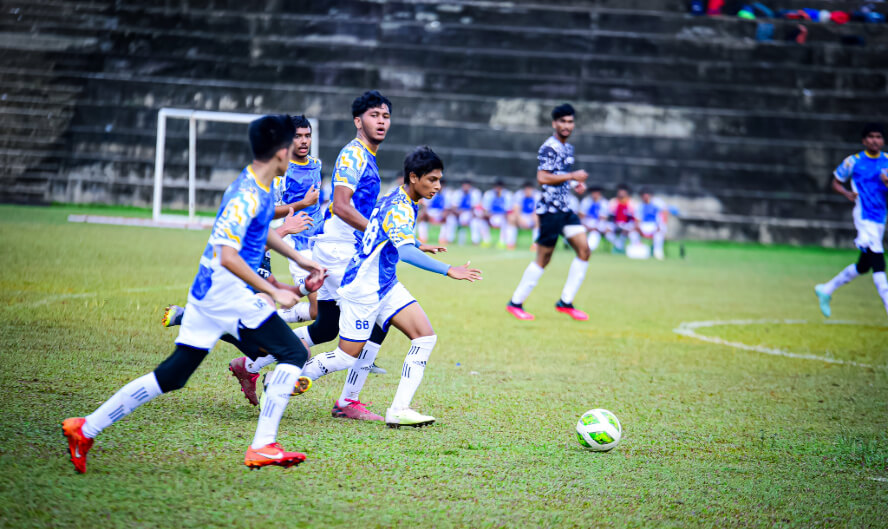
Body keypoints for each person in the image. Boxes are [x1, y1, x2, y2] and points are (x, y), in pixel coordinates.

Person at [62, 115, 327, 472]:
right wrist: (273, 290)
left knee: (172, 376)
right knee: (293, 352)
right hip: (226, 295)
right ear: (281, 151)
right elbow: (227, 255)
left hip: (209, 296)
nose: (298, 148)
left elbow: (262, 231)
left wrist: (301, 261)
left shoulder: (258, 186)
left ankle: (85, 428)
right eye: (292, 144)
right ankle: (263, 444)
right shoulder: (245, 195)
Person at [298, 146, 482, 427]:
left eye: (439, 180)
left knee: (424, 337)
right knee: (346, 357)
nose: (437, 186)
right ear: (414, 177)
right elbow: (405, 253)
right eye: (432, 179)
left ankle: (399, 409)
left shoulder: (397, 197)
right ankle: (292, 375)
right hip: (363, 287)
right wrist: (449, 270)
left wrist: (418, 243)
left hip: (385, 284)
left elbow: (384, 229)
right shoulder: (400, 206)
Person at [288, 90, 395, 421]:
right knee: (383, 314)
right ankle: (346, 399)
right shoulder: (353, 154)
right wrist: (378, 231)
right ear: (358, 121)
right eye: (374, 115)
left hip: (343, 246)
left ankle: (251, 362)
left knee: (326, 326)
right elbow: (341, 205)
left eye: (386, 116)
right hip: (340, 249)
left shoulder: (366, 155)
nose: (381, 121)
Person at [506, 103, 591, 321]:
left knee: (584, 251)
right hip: (550, 211)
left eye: (570, 122)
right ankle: (515, 303)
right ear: (554, 123)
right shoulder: (549, 147)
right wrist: (572, 176)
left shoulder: (568, 148)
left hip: (565, 209)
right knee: (543, 258)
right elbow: (543, 177)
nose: (566, 125)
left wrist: (575, 185)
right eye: (562, 121)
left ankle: (565, 302)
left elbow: (559, 175)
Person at [815, 123, 888, 318]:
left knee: (864, 265)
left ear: (883, 140)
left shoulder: (887, 161)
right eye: (871, 136)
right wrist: (846, 193)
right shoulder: (853, 161)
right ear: (864, 140)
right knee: (879, 265)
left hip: (880, 219)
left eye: (878, 137)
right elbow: (836, 182)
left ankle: (826, 289)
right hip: (864, 218)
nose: (874, 140)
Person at [481, 180, 514, 248]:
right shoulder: (489, 194)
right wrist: (487, 215)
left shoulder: (507, 195)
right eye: (497, 187)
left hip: (502, 216)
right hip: (491, 216)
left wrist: (505, 216)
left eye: (500, 187)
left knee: (508, 220)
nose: (498, 189)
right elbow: (485, 209)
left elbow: (509, 210)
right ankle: (486, 241)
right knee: (481, 220)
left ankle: (502, 242)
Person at [636, 189, 668, 260]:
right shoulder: (640, 206)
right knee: (634, 233)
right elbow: (638, 218)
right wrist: (638, 227)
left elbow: (662, 216)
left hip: (655, 225)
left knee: (659, 234)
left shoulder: (657, 204)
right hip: (644, 225)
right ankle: (638, 251)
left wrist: (660, 226)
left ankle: (658, 252)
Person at [507, 181, 539, 249]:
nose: (527, 190)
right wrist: (520, 220)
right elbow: (516, 209)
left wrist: (532, 218)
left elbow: (536, 210)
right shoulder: (519, 194)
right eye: (526, 188)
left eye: (529, 188)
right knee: (511, 218)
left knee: (538, 219)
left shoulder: (537, 195)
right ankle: (511, 243)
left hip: (532, 217)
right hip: (521, 217)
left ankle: (535, 244)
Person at [606, 183, 636, 253]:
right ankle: (619, 246)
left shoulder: (631, 203)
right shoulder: (613, 202)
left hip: (627, 224)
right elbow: (610, 216)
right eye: (620, 191)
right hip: (615, 223)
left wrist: (628, 227)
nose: (621, 193)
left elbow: (633, 218)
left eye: (623, 192)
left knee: (632, 234)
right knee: (608, 233)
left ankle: (627, 249)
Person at [451, 179, 482, 245]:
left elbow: (476, 206)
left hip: (471, 213)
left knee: (475, 222)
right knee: (452, 219)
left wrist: (473, 214)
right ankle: (451, 239)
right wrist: (457, 213)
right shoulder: (457, 193)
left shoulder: (475, 193)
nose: (466, 187)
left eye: (467, 185)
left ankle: (475, 241)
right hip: (459, 213)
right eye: (464, 185)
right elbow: (453, 206)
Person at [579, 186, 609, 252]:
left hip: (598, 224)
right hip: (586, 222)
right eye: (593, 193)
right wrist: (586, 226)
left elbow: (603, 217)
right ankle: (579, 247)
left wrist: (595, 227)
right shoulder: (586, 201)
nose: (595, 194)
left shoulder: (604, 202)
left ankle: (588, 248)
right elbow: (581, 215)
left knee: (595, 232)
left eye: (596, 193)